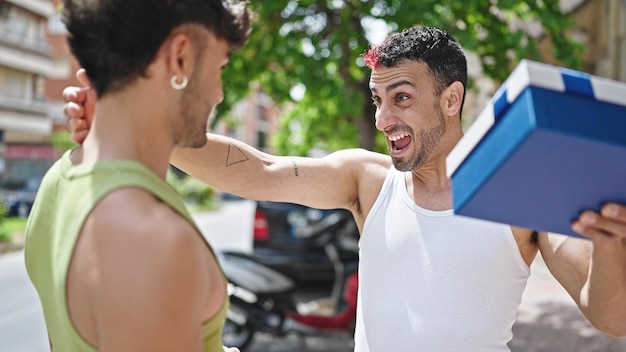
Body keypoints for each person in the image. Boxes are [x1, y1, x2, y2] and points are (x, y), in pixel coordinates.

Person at [64, 26, 626, 351]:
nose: (383, 118)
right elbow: (256, 171)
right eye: (378, 100)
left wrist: (612, 240)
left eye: (401, 97)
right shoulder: (368, 179)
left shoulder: (518, 193)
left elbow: (609, 316)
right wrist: (134, 121)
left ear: (451, 99)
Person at [25, 1, 250, 351]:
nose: (218, 93)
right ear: (180, 57)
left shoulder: (59, 180)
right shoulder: (150, 240)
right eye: (219, 66)